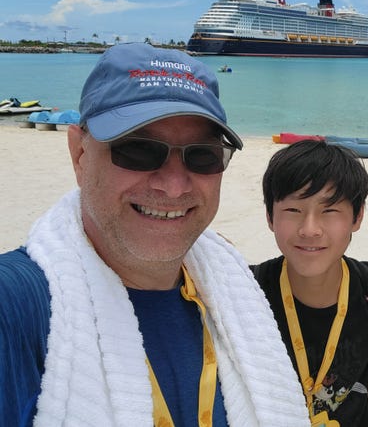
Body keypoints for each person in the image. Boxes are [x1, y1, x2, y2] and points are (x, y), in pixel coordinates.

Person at [0, 43, 309, 426]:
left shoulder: (233, 292)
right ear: (80, 153)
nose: (175, 186)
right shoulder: (15, 306)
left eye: (202, 155)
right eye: (139, 150)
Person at [252, 139, 368, 427]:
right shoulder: (248, 293)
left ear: (357, 216)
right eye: (293, 211)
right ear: (270, 216)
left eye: (329, 210)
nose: (310, 229)